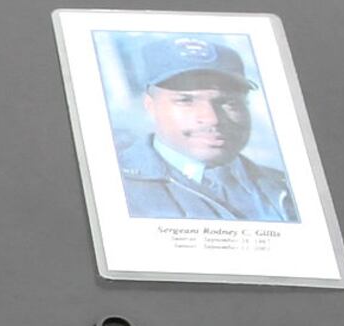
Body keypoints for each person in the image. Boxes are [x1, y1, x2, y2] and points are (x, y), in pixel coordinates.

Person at [107, 31, 296, 222]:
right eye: (186, 100)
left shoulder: (286, 187)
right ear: (150, 106)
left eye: (228, 102)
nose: (212, 119)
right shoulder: (112, 187)